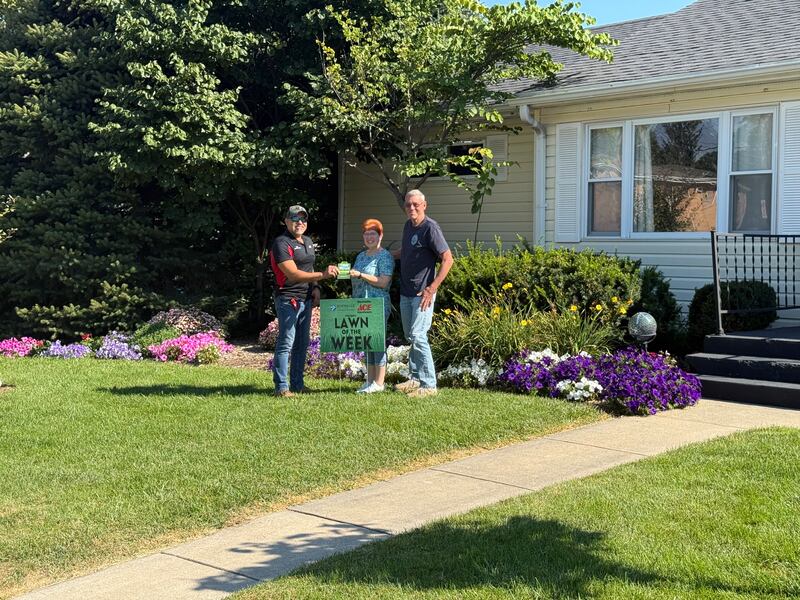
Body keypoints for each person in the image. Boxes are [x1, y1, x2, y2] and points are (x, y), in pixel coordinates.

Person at [270, 205, 339, 397]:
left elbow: (308, 268)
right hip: (287, 298)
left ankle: (298, 384)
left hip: (306, 299)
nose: (299, 223)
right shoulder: (282, 243)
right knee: (286, 342)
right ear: (286, 221)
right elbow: (292, 273)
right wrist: (323, 275)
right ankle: (281, 387)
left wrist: (316, 286)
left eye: (303, 219)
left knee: (302, 343)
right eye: (295, 219)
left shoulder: (307, 241)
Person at [394, 189, 454, 397]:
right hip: (406, 291)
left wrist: (432, 287)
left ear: (424, 205)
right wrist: (382, 254)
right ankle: (415, 378)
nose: (412, 207)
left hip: (423, 293)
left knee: (419, 335)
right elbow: (406, 252)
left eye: (415, 204)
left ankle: (429, 385)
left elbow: (448, 259)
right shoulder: (408, 227)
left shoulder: (430, 228)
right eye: (408, 204)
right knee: (411, 336)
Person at [349, 219, 395, 393]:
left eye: (373, 234)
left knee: (377, 342)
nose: (369, 237)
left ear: (380, 236)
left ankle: (379, 382)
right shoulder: (361, 256)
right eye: (366, 234)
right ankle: (369, 381)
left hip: (377, 305)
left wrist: (361, 274)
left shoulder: (385, 256)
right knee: (367, 342)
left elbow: (383, 282)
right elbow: (354, 276)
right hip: (361, 304)